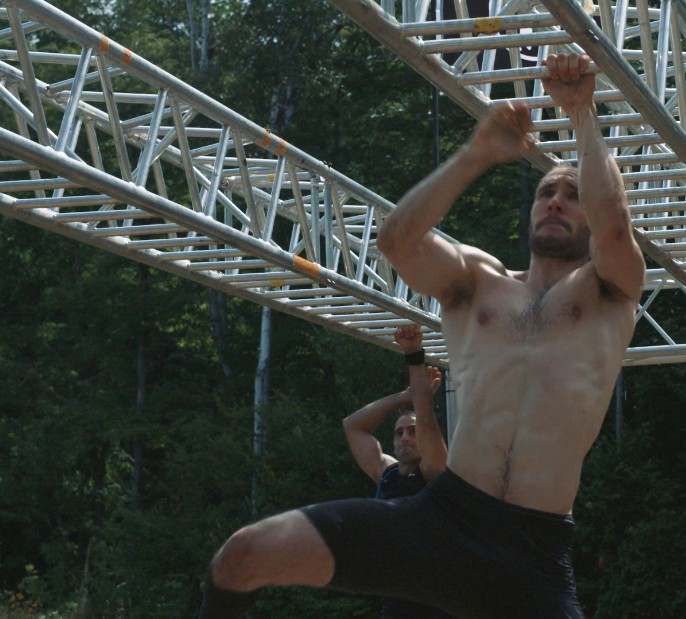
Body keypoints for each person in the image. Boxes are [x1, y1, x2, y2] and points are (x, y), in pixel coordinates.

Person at [198, 52, 645, 618]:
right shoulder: (477, 282)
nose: (555, 200)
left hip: (532, 553)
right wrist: (476, 153)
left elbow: (615, 226)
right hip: (444, 519)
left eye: (572, 195)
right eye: (544, 193)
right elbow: (397, 242)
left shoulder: (610, 290)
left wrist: (581, 113)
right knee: (244, 554)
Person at [341, 324, 452, 618]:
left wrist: (415, 356)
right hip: (396, 601)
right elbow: (353, 425)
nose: (404, 438)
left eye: (412, 432)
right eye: (399, 432)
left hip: (436, 603)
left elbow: (427, 417)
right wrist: (405, 397)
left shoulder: (434, 472)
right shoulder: (388, 473)